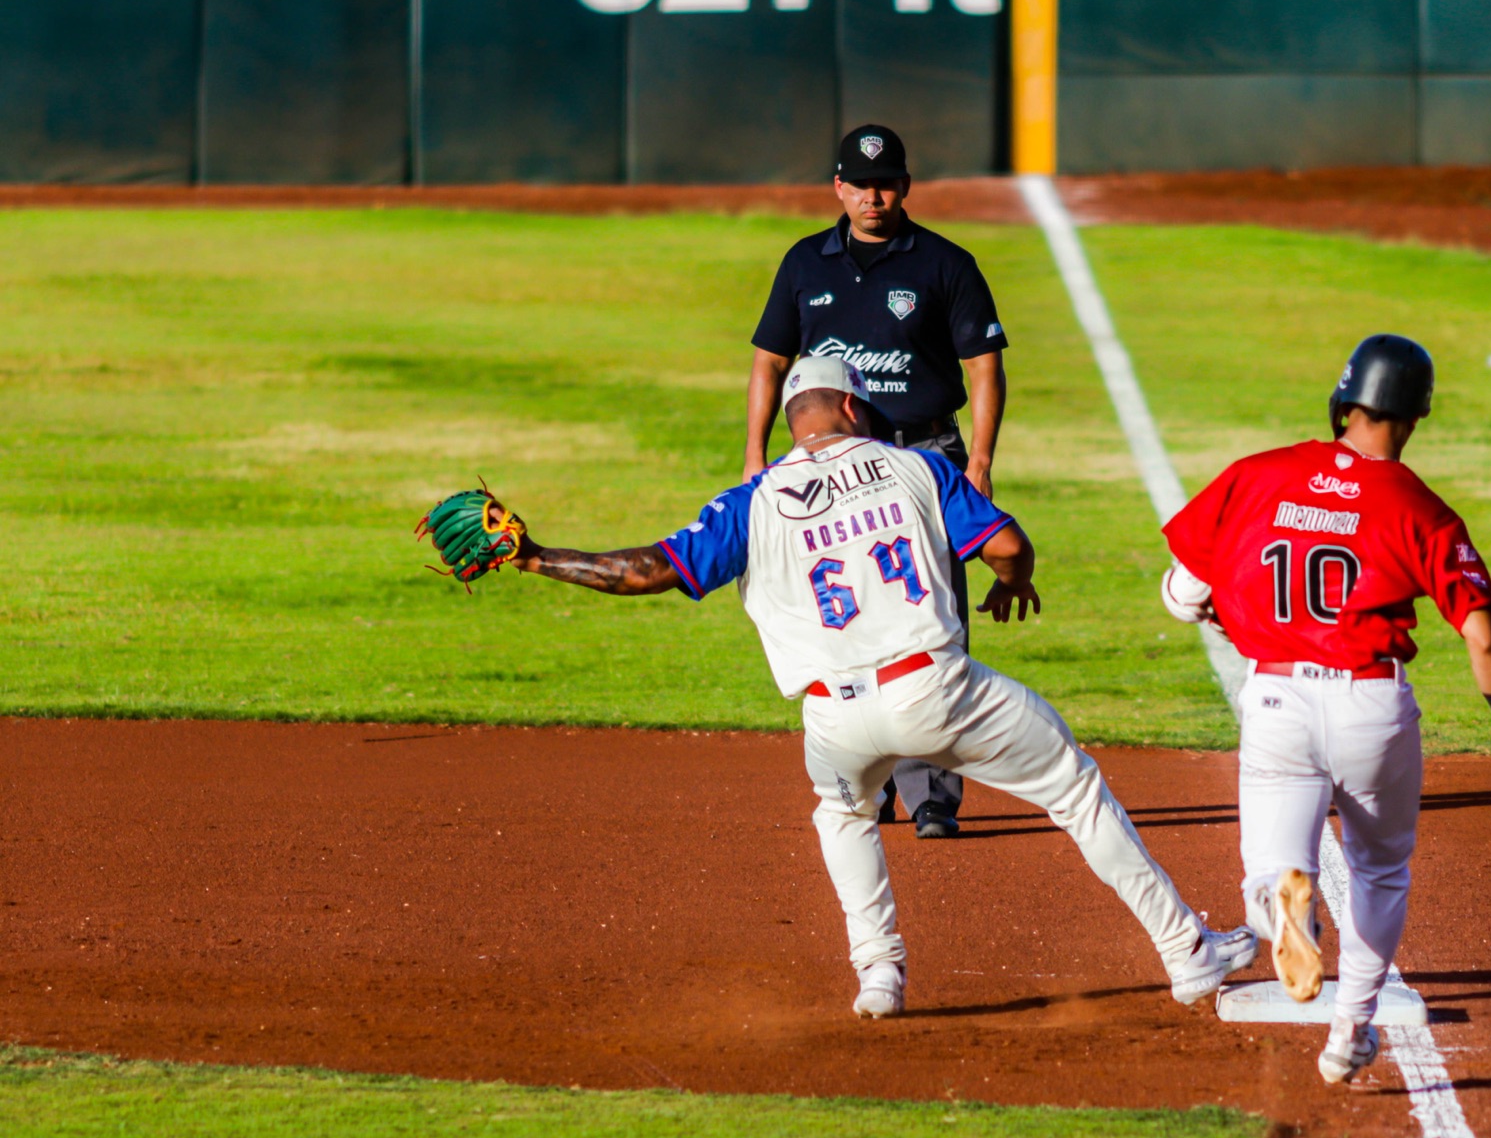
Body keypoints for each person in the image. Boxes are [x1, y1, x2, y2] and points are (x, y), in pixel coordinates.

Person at [512, 356, 1255, 1019]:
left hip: (833, 717)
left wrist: (539, 558)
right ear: (851, 408)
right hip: (939, 692)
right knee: (1074, 787)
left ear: (796, 418)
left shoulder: (754, 500)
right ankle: (1186, 950)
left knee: (843, 812)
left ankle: (879, 976)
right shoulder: (914, 466)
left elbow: (648, 571)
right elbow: (1007, 546)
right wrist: (1011, 583)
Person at [1158, 335, 1491, 1085]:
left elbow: (1181, 592)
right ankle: (1348, 1032)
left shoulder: (1257, 475)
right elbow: (1484, 636)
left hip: (1276, 696)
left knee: (1267, 864)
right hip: (1371, 700)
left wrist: (1222, 610)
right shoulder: (1421, 507)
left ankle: (1282, 899)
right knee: (1381, 870)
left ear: (1345, 399)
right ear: (1416, 413)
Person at [743, 123, 1006, 842]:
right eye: (859, 184)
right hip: (837, 469)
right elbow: (769, 360)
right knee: (851, 610)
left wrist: (978, 459)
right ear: (837, 188)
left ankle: (932, 796)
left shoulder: (946, 265)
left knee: (929, 616)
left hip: (923, 455)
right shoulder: (805, 264)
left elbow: (984, 366)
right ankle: (868, 780)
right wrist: (753, 454)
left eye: (885, 182)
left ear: (906, 186)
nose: (873, 195)